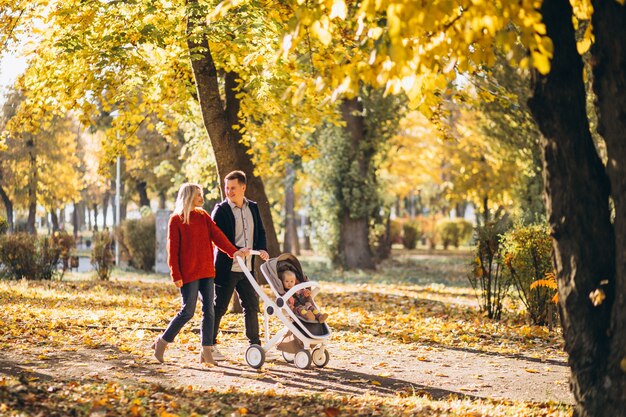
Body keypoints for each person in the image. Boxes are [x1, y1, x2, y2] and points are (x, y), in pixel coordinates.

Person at [152, 183, 248, 365]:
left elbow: (217, 236)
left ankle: (206, 351)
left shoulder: (203, 216)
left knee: (209, 311)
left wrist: (233, 251)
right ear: (188, 196)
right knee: (187, 311)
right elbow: (173, 250)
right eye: (198, 195)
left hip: (206, 272)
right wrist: (176, 274)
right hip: (188, 274)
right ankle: (162, 342)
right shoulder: (176, 220)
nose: (201, 198)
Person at [211, 170, 270, 360]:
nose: (229, 191)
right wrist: (236, 249)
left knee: (252, 305)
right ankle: (209, 346)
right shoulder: (221, 210)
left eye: (233, 188)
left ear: (243, 188)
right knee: (219, 306)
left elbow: (260, 232)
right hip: (227, 267)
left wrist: (262, 249)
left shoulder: (252, 207)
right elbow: (218, 239)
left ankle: (255, 346)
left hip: (248, 267)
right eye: (227, 188)